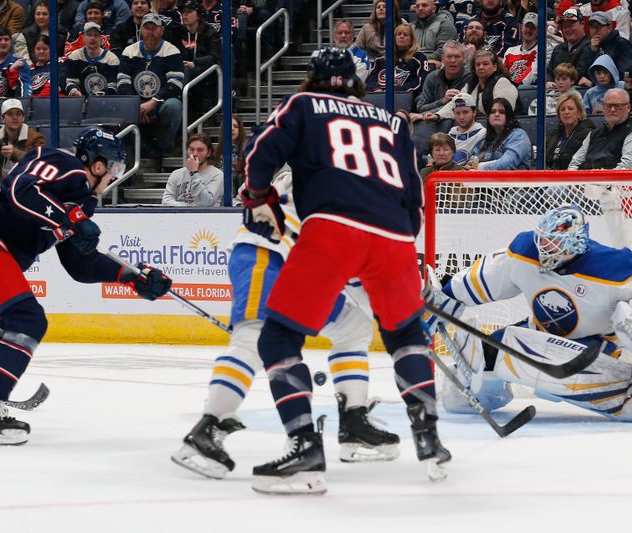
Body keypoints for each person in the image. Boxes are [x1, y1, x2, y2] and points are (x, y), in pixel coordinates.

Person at [242, 47, 450, 495]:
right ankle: (428, 431)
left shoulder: (303, 104)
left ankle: (304, 448)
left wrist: (256, 197)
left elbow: (261, 150)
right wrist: (394, 242)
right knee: (405, 335)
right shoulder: (393, 121)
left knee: (277, 338)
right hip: (395, 237)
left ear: (312, 76)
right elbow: (414, 197)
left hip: (332, 229)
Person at [0, 128, 172, 445]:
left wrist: (131, 277)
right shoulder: (62, 162)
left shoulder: (82, 202)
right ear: (99, 165)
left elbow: (80, 265)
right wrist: (67, 218)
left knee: (12, 321)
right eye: (115, 169)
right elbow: (21, 191)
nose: (114, 177)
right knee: (28, 320)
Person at [171, 166, 400, 479]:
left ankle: (353, 422)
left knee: (352, 326)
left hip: (301, 265)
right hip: (265, 254)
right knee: (253, 338)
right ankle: (207, 429)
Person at [428, 205, 632, 422]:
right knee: (465, 388)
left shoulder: (616, 266)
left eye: (554, 242)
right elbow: (480, 282)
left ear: (577, 242)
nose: (544, 247)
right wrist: (440, 301)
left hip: (595, 346)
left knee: (548, 372)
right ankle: (488, 395)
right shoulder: (525, 250)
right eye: (543, 239)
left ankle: (628, 393)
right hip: (539, 333)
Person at [117, 13, 183, 159]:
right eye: (147, 28)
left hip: (160, 102)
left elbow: (175, 84)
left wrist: (153, 102)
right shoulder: (129, 51)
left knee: (174, 106)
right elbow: (122, 83)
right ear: (141, 31)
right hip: (137, 103)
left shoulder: (172, 51)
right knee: (121, 108)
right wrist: (137, 105)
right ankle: (129, 156)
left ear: (161, 31)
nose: (150, 32)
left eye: (154, 28)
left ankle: (165, 148)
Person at [569, 88, 632, 170]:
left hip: (620, 182)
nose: (612, 110)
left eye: (617, 106)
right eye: (608, 106)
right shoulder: (593, 134)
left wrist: (595, 178)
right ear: (603, 107)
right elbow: (574, 164)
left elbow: (626, 171)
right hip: (586, 181)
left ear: (628, 107)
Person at [425, 49, 518, 120]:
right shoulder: (472, 84)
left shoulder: (502, 82)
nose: (481, 67)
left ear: (495, 67)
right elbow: (456, 103)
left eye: (485, 64)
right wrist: (437, 116)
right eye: (478, 64)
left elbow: (502, 115)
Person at [0, 98, 46, 176]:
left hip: (26, 182)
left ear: (23, 118)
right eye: (10, 114)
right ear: (2, 118)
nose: (15, 117)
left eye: (18, 114)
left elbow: (42, 161)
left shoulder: (36, 138)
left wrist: (16, 154)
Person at [365, 24, 432, 104]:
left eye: (405, 34)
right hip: (380, 97)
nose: (402, 36)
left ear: (411, 40)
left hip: (407, 98)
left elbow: (421, 83)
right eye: (399, 34)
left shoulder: (418, 58)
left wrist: (397, 91)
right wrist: (376, 89)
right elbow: (370, 81)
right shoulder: (381, 60)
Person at [178, 1, 221, 115]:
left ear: (198, 15)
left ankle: (180, 100)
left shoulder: (210, 32)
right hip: (184, 69)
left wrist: (195, 62)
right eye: (183, 12)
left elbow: (215, 57)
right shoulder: (179, 32)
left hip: (206, 72)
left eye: (189, 12)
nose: (185, 15)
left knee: (187, 72)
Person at [161, 133, 223, 206]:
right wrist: (189, 207)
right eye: (191, 149)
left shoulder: (217, 175)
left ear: (208, 153)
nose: (195, 153)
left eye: (200, 150)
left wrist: (194, 173)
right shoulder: (176, 174)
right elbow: (166, 201)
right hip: (179, 216)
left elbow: (205, 203)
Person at [470, 97, 531, 170]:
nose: (496, 114)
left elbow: (507, 164)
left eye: (501, 112)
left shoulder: (519, 136)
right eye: (492, 111)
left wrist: (481, 167)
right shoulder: (485, 140)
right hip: (485, 180)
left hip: (513, 180)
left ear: (508, 116)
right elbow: (473, 161)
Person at [65, 21, 120, 96]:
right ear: (83, 37)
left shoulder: (112, 59)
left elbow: (113, 87)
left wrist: (100, 95)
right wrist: (74, 91)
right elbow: (71, 82)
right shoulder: (74, 56)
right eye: (89, 35)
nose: (92, 38)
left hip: (105, 103)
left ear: (101, 38)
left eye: (96, 35)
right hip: (81, 102)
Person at [545, 91, 596, 170]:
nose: (566, 112)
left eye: (570, 108)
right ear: (559, 115)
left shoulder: (588, 134)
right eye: (562, 109)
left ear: (579, 112)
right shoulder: (554, 134)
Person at [578, 12, 632, 79]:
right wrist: (593, 52)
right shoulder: (589, 47)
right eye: (592, 27)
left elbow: (626, 72)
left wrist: (594, 83)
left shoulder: (621, 44)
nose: (595, 30)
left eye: (599, 26)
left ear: (609, 28)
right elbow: (581, 72)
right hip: (593, 87)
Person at [13, 1, 66, 65]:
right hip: (32, 72)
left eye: (45, 14)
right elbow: (23, 59)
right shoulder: (25, 35)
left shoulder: (62, 33)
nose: (41, 17)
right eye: (38, 14)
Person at [548, 7, 590, 86]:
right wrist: (548, 81)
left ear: (582, 24)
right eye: (564, 26)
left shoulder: (590, 46)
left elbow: (581, 73)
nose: (567, 29)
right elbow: (549, 71)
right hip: (555, 92)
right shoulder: (558, 48)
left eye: (570, 25)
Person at [410, 0, 458, 67]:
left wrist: (419, 61)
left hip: (436, 67)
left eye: (424, 5)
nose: (420, 8)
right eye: (417, 6)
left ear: (434, 9)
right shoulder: (410, 27)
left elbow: (443, 51)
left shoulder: (445, 25)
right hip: (411, 65)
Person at [446, 92, 486, 165]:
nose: (461, 117)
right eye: (457, 113)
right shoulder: (449, 136)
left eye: (465, 112)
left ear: (474, 112)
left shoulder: (483, 134)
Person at [214, 114, 246, 196]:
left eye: (235, 126)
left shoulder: (247, 151)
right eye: (228, 126)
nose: (232, 129)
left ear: (240, 130)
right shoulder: (217, 153)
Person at [503, 11, 537, 86]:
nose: (528, 30)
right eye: (527, 26)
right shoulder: (510, 51)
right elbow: (501, 74)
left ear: (538, 30)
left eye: (533, 28)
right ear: (521, 27)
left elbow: (529, 79)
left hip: (523, 90)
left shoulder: (540, 51)